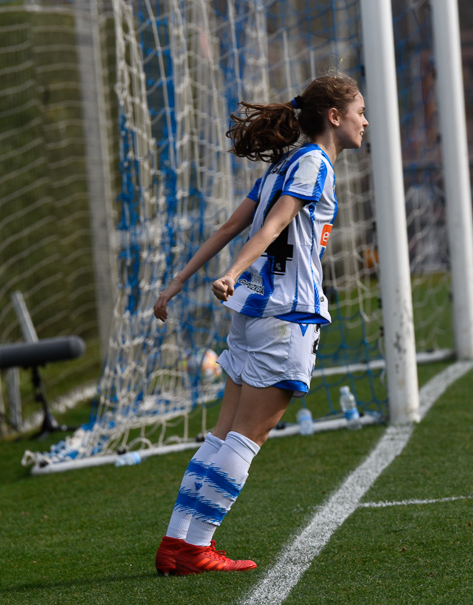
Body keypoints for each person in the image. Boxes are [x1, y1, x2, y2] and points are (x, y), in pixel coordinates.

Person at [150, 74, 368, 575]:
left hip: (251, 315)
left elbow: (232, 226)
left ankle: (176, 543)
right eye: (360, 111)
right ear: (334, 116)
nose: (365, 121)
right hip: (286, 317)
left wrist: (179, 281)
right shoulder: (314, 164)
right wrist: (229, 272)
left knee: (222, 435)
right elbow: (273, 225)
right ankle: (196, 548)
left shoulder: (283, 164)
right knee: (246, 439)